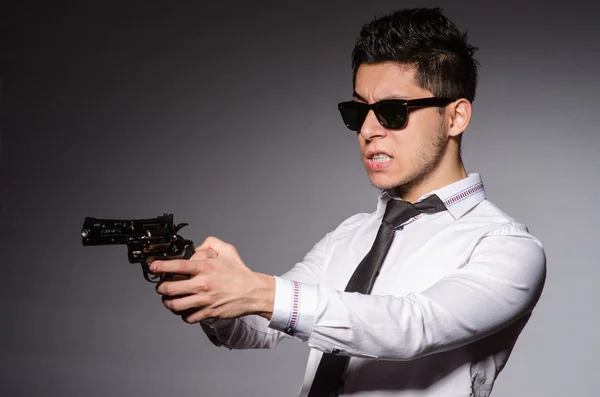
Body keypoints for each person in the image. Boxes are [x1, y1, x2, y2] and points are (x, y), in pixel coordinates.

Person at [150, 7, 547, 397]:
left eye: (393, 112)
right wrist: (203, 287)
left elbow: (414, 327)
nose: (369, 130)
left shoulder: (507, 248)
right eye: (359, 111)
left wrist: (259, 291)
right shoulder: (349, 236)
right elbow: (255, 329)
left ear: (456, 117)